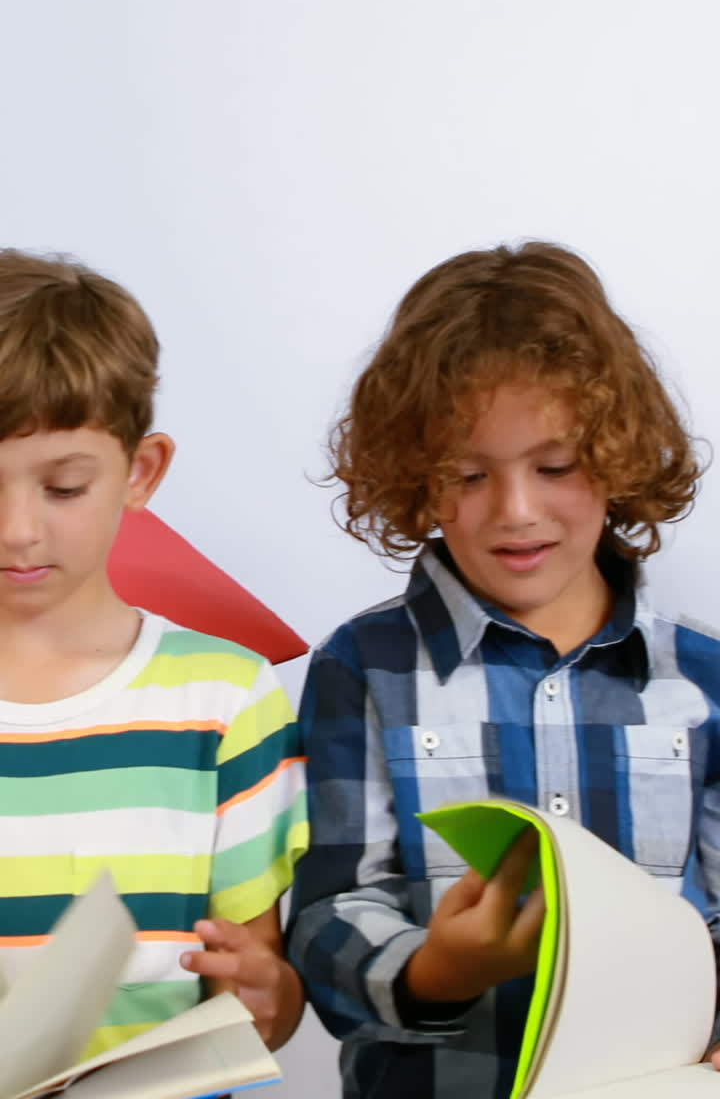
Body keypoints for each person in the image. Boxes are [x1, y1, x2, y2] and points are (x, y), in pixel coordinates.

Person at [288, 242, 720, 1099]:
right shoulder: (363, 667)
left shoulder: (701, 674)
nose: (516, 510)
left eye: (555, 467)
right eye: (469, 473)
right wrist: (436, 971)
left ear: (618, 454)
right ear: (417, 479)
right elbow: (328, 917)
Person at [0, 250, 307, 1058]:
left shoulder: (225, 701)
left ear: (141, 471)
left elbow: (256, 994)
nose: (17, 531)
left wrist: (268, 998)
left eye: (63, 488)